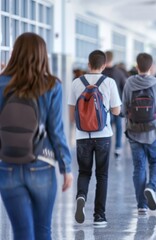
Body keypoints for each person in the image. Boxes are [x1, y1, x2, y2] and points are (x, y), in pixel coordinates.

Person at [0, 32, 72, 240]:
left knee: (21, 233)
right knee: (43, 230)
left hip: (7, 165)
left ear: (15, 54)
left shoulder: (1, 83)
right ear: (43, 55)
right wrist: (66, 167)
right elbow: (56, 131)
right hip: (41, 163)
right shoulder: (52, 85)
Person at [69, 50, 122, 226]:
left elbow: (71, 116)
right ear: (104, 65)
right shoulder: (109, 82)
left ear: (88, 63)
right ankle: (99, 216)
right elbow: (116, 111)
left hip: (82, 136)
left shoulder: (76, 83)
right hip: (103, 136)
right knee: (102, 175)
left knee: (84, 172)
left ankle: (81, 196)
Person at [122, 53, 156, 214]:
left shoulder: (129, 83)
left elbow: (123, 108)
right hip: (153, 131)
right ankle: (151, 187)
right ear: (151, 66)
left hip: (133, 131)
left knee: (139, 167)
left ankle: (141, 205)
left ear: (136, 65)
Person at [102, 51, 127, 159]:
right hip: (116, 104)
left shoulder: (100, 73)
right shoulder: (118, 72)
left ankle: (105, 147)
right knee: (118, 126)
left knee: (105, 127)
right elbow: (125, 87)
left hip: (103, 105)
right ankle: (118, 148)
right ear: (112, 59)